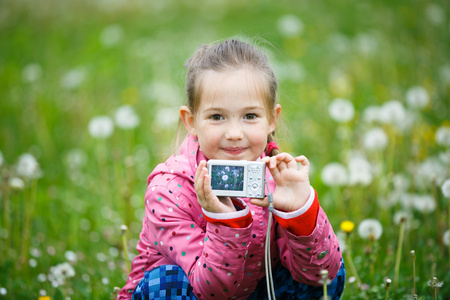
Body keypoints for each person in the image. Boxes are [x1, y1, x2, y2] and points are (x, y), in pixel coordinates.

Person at [118, 39, 345, 300]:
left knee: (331, 271)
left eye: (250, 116)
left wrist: (300, 212)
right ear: (191, 121)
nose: (235, 134)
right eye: (217, 117)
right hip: (195, 292)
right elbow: (211, 291)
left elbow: (321, 275)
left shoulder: (278, 179)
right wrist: (225, 222)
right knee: (166, 283)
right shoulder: (170, 191)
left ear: (272, 118)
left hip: (254, 291)